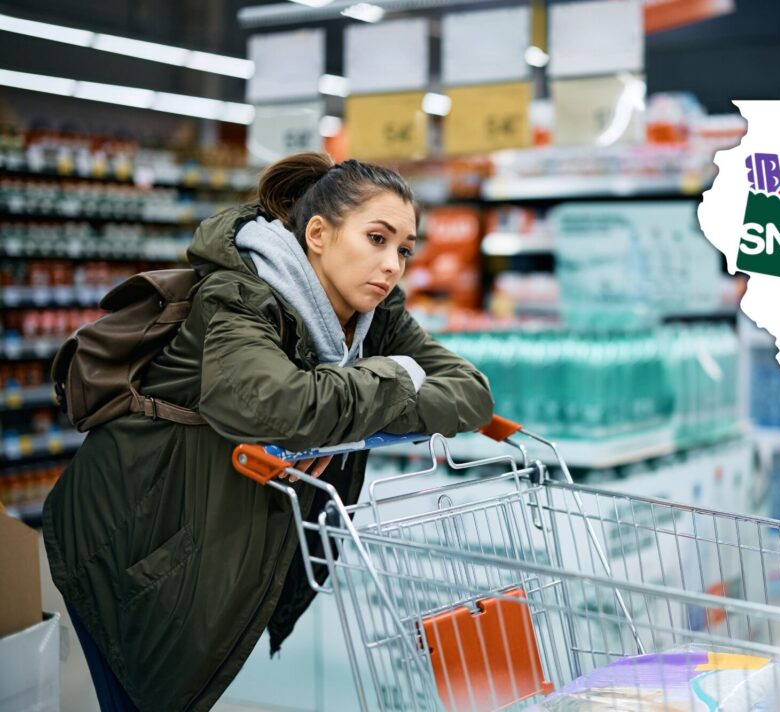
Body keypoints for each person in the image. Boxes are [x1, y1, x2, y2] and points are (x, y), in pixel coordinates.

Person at [42, 153, 494, 712]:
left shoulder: (376, 316)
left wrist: (334, 415)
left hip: (206, 533)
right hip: (132, 532)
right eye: (376, 238)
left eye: (404, 248)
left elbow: (471, 391)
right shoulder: (238, 296)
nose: (392, 264)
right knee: (148, 690)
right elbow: (270, 406)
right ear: (319, 234)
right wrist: (389, 377)